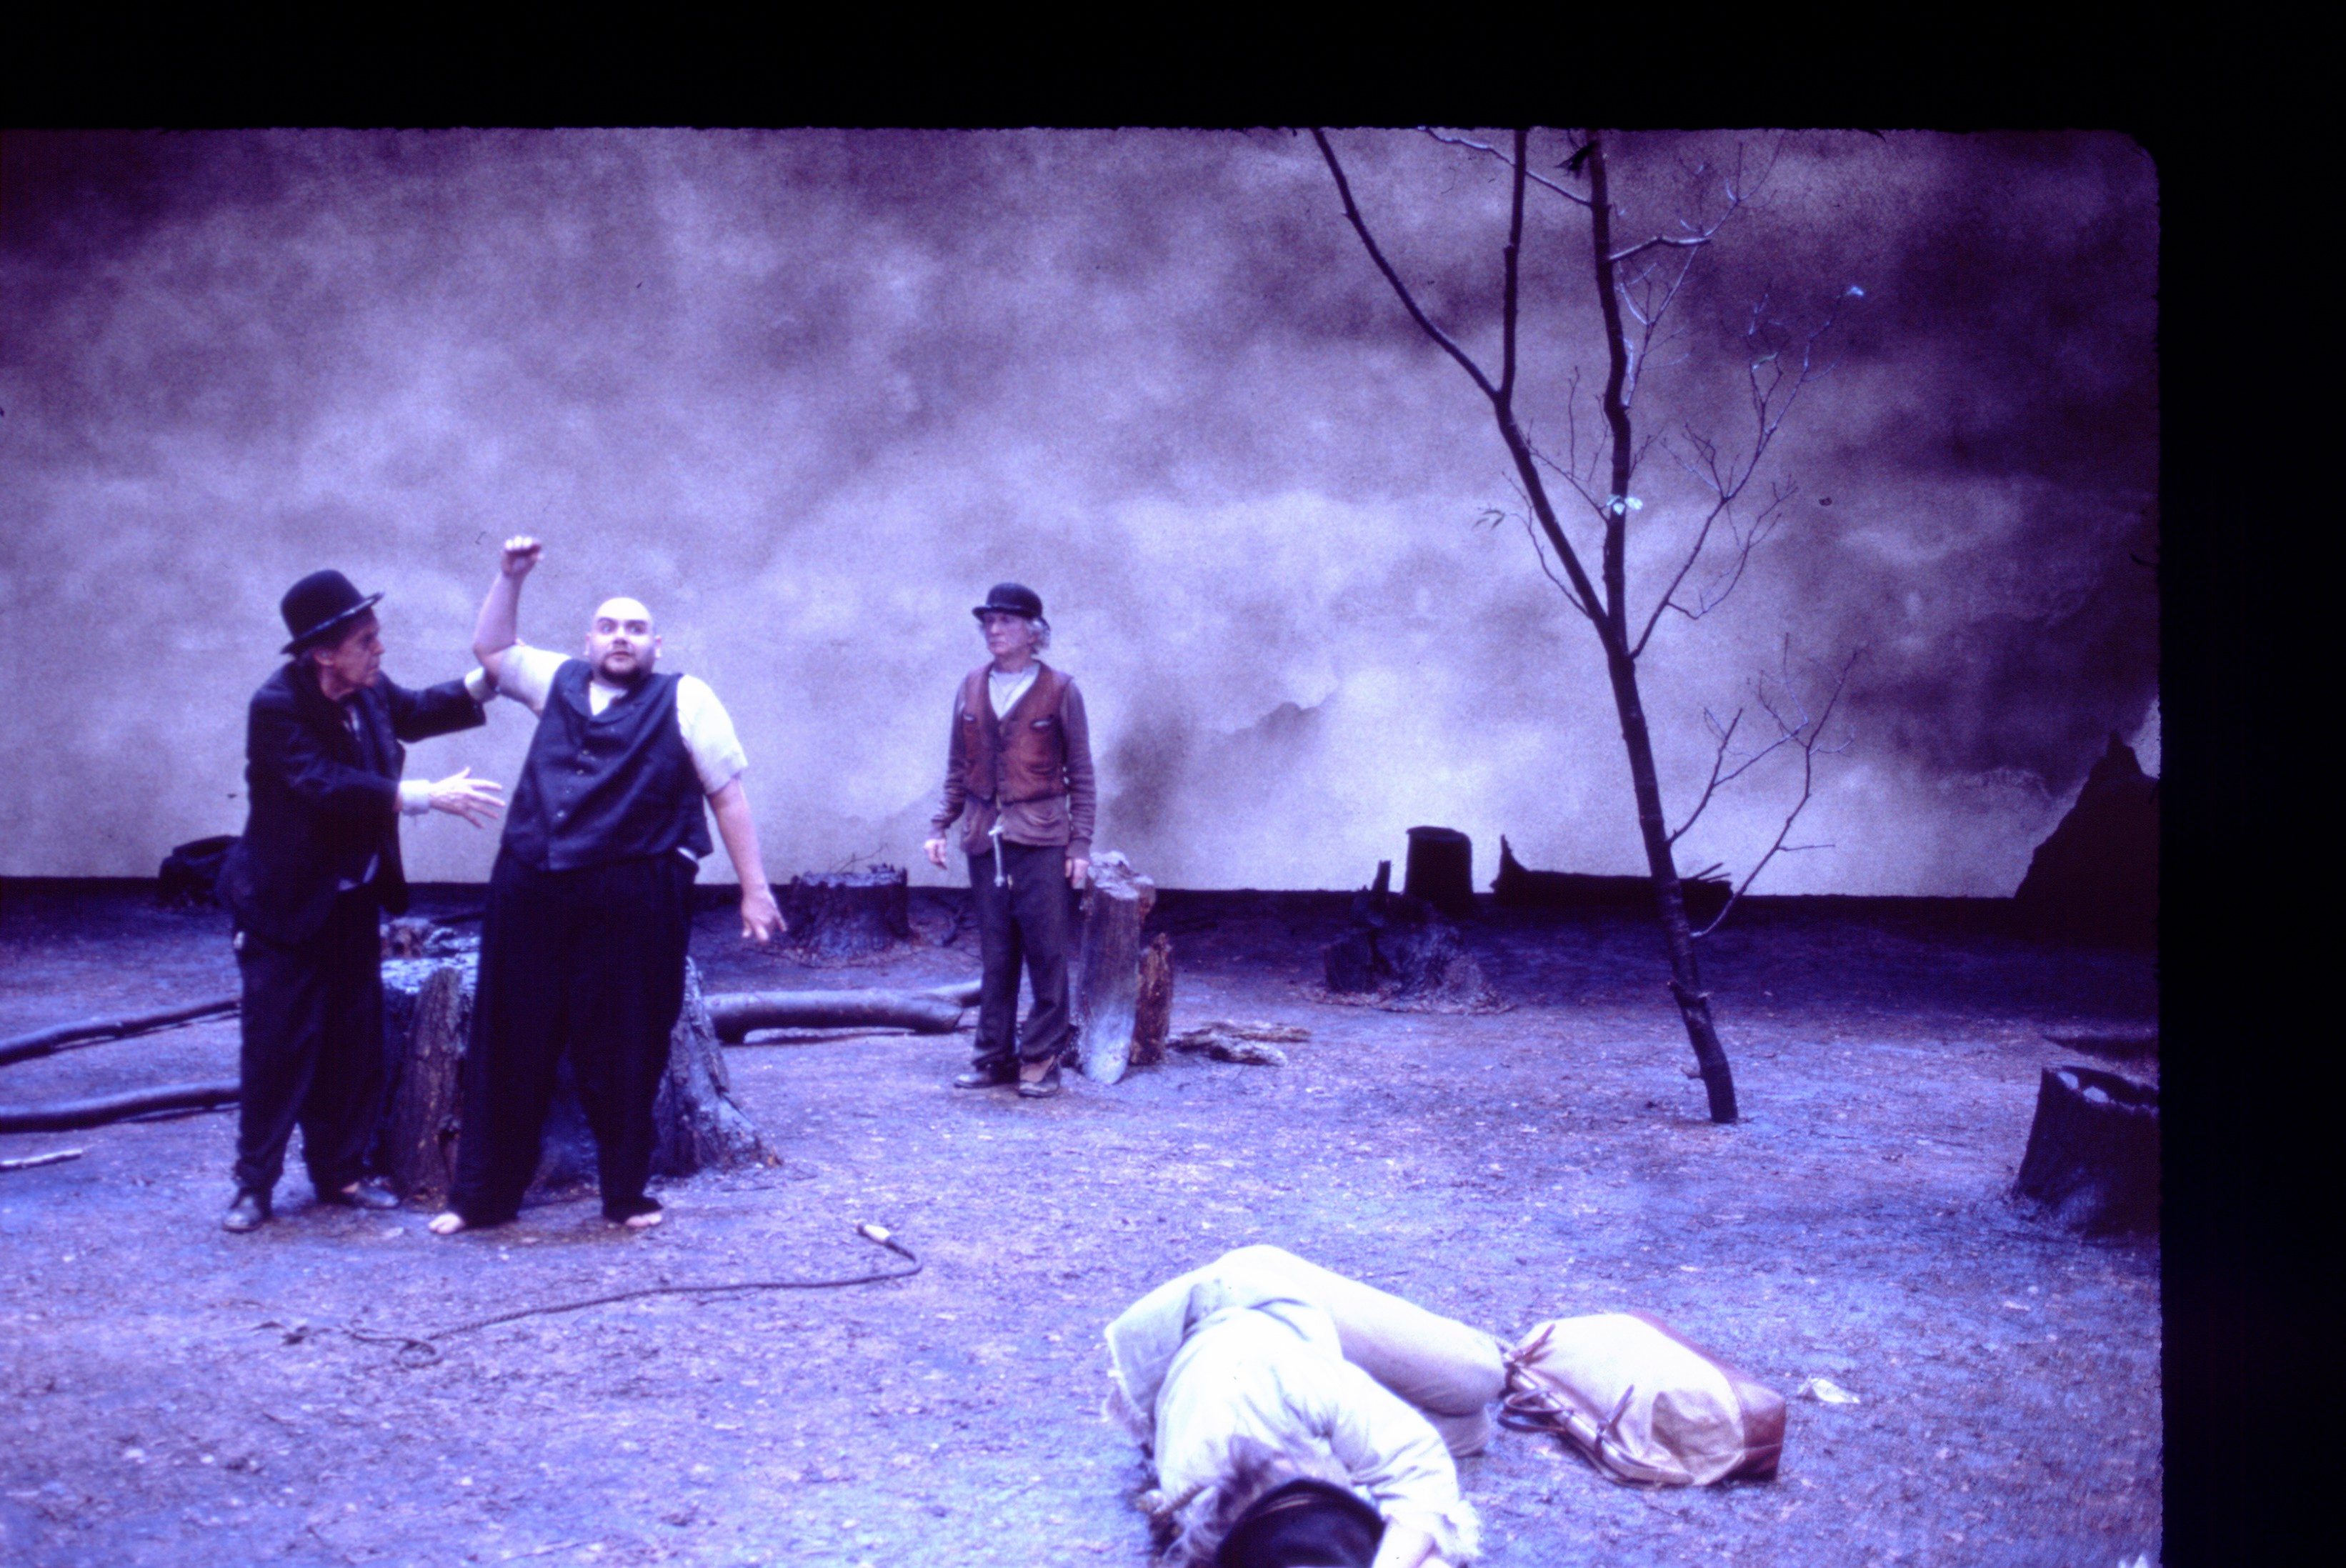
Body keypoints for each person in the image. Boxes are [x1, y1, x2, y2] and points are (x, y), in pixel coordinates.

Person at [429, 537, 782, 1236]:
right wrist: (510, 577)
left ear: (656, 644)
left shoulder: (687, 697)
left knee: (625, 1045)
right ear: (588, 640)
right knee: (510, 1041)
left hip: (634, 898)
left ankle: (625, 1195)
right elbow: (492, 649)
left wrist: (755, 889)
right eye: (608, 626)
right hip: (531, 887)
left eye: (636, 628)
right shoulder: (555, 679)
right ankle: (482, 1199)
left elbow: (728, 795)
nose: (622, 636)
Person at [217, 569, 506, 1233]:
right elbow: (322, 781)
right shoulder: (277, 705)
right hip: (284, 905)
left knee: (353, 1041)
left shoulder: (369, 689)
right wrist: (421, 796)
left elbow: (417, 710)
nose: (380, 649)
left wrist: (490, 679)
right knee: (277, 1048)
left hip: (351, 899)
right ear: (323, 652)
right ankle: (254, 1184)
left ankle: (339, 1173)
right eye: (365, 640)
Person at [1104, 1246, 1492, 1568]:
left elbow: (1421, 1466)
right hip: (1248, 1375)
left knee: (1480, 1379)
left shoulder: (1286, 1383)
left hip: (1258, 1292)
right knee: (1471, 1432)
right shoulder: (1223, 1533)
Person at [922, 581, 1097, 1099]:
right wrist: (940, 825)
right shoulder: (971, 686)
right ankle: (992, 1055)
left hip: (1042, 837)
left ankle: (1041, 1057)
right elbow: (958, 766)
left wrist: (1080, 845)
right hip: (984, 837)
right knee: (997, 954)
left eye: (1007, 621)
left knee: (1046, 952)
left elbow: (1082, 774)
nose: (994, 630)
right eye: (989, 622)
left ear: (1034, 633)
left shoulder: (1060, 690)